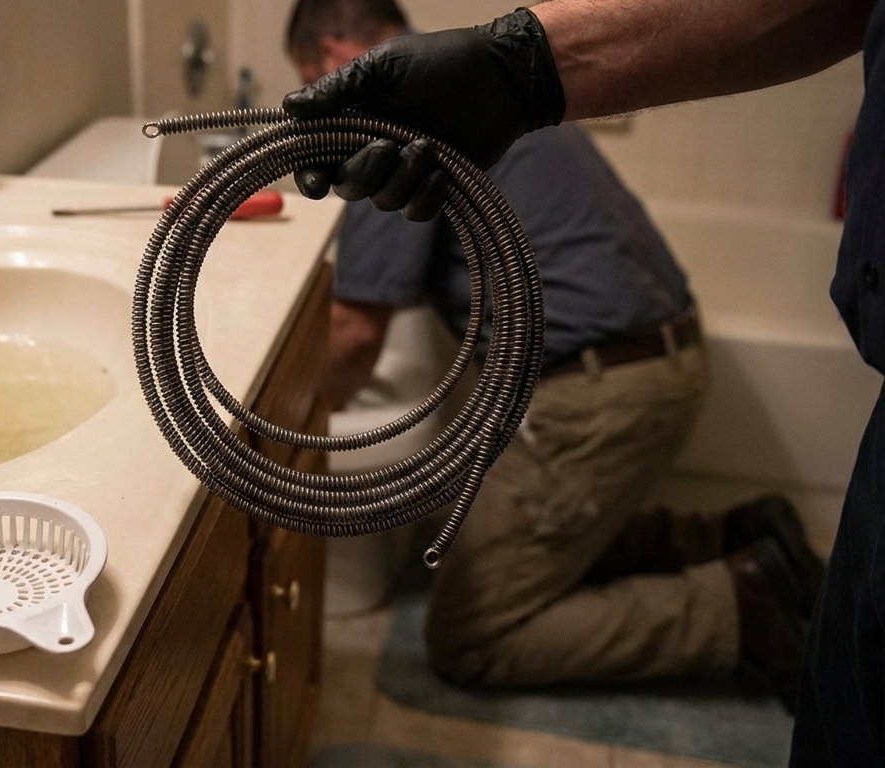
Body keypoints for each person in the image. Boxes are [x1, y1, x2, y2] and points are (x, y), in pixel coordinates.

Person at [281, 0, 881, 763]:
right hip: (657, 360)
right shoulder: (479, 109)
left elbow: (356, 340)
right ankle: (728, 535)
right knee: (520, 536)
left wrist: (272, 412)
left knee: (471, 634)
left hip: (594, 392)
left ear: (331, 56)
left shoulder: (394, 122)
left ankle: (742, 603)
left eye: (307, 84)